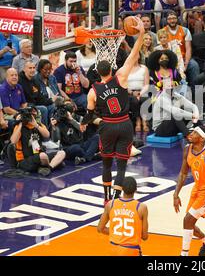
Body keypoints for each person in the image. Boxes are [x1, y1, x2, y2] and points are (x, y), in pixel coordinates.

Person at [80, 16, 144, 205]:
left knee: (107, 163)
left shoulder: (93, 91)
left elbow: (90, 114)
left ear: (98, 73)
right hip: (124, 124)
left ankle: (107, 199)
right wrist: (140, 33)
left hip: (107, 126)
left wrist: (84, 123)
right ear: (112, 68)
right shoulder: (121, 76)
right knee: (122, 165)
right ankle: (117, 199)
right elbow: (134, 54)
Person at [173, 126, 205, 256]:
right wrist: (176, 194)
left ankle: (184, 254)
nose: (191, 134)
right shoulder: (187, 149)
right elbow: (183, 173)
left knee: (187, 220)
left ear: (201, 138)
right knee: (189, 224)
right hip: (197, 188)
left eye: (195, 132)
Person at [97, 176, 149, 256]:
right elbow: (145, 236)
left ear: (122, 189)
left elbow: (100, 228)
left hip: (113, 250)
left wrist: (118, 233)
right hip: (131, 250)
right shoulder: (141, 207)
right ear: (136, 190)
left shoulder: (111, 204)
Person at [8, 106, 66, 176]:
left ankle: (49, 167)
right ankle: (53, 165)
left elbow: (47, 135)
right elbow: (13, 141)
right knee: (44, 156)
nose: (31, 116)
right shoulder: (19, 127)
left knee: (62, 153)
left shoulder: (38, 125)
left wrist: (36, 125)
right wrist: (20, 123)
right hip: (25, 160)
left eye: (33, 113)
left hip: (39, 155)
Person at [51, 99, 99, 165]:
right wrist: (54, 128)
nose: (66, 109)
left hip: (81, 144)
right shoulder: (59, 120)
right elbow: (55, 140)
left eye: (68, 106)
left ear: (73, 108)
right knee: (76, 148)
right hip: (68, 148)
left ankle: (84, 158)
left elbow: (83, 129)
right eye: (64, 107)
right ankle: (92, 156)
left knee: (97, 137)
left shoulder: (80, 118)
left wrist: (71, 120)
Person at [162, 11, 200, 88]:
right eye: (169, 19)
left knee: (194, 65)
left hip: (183, 58)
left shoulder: (185, 30)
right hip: (169, 60)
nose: (172, 21)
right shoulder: (162, 32)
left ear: (178, 19)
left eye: (174, 18)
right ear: (166, 20)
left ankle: (196, 94)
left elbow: (188, 49)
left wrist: (185, 64)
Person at [18, 61, 54, 127]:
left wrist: (51, 100)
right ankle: (43, 133)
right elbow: (21, 101)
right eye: (30, 68)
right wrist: (31, 107)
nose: (32, 70)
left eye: (33, 68)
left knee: (52, 106)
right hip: (26, 107)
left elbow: (40, 98)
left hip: (35, 105)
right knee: (43, 109)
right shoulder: (19, 81)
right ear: (24, 69)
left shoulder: (35, 81)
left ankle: (51, 130)